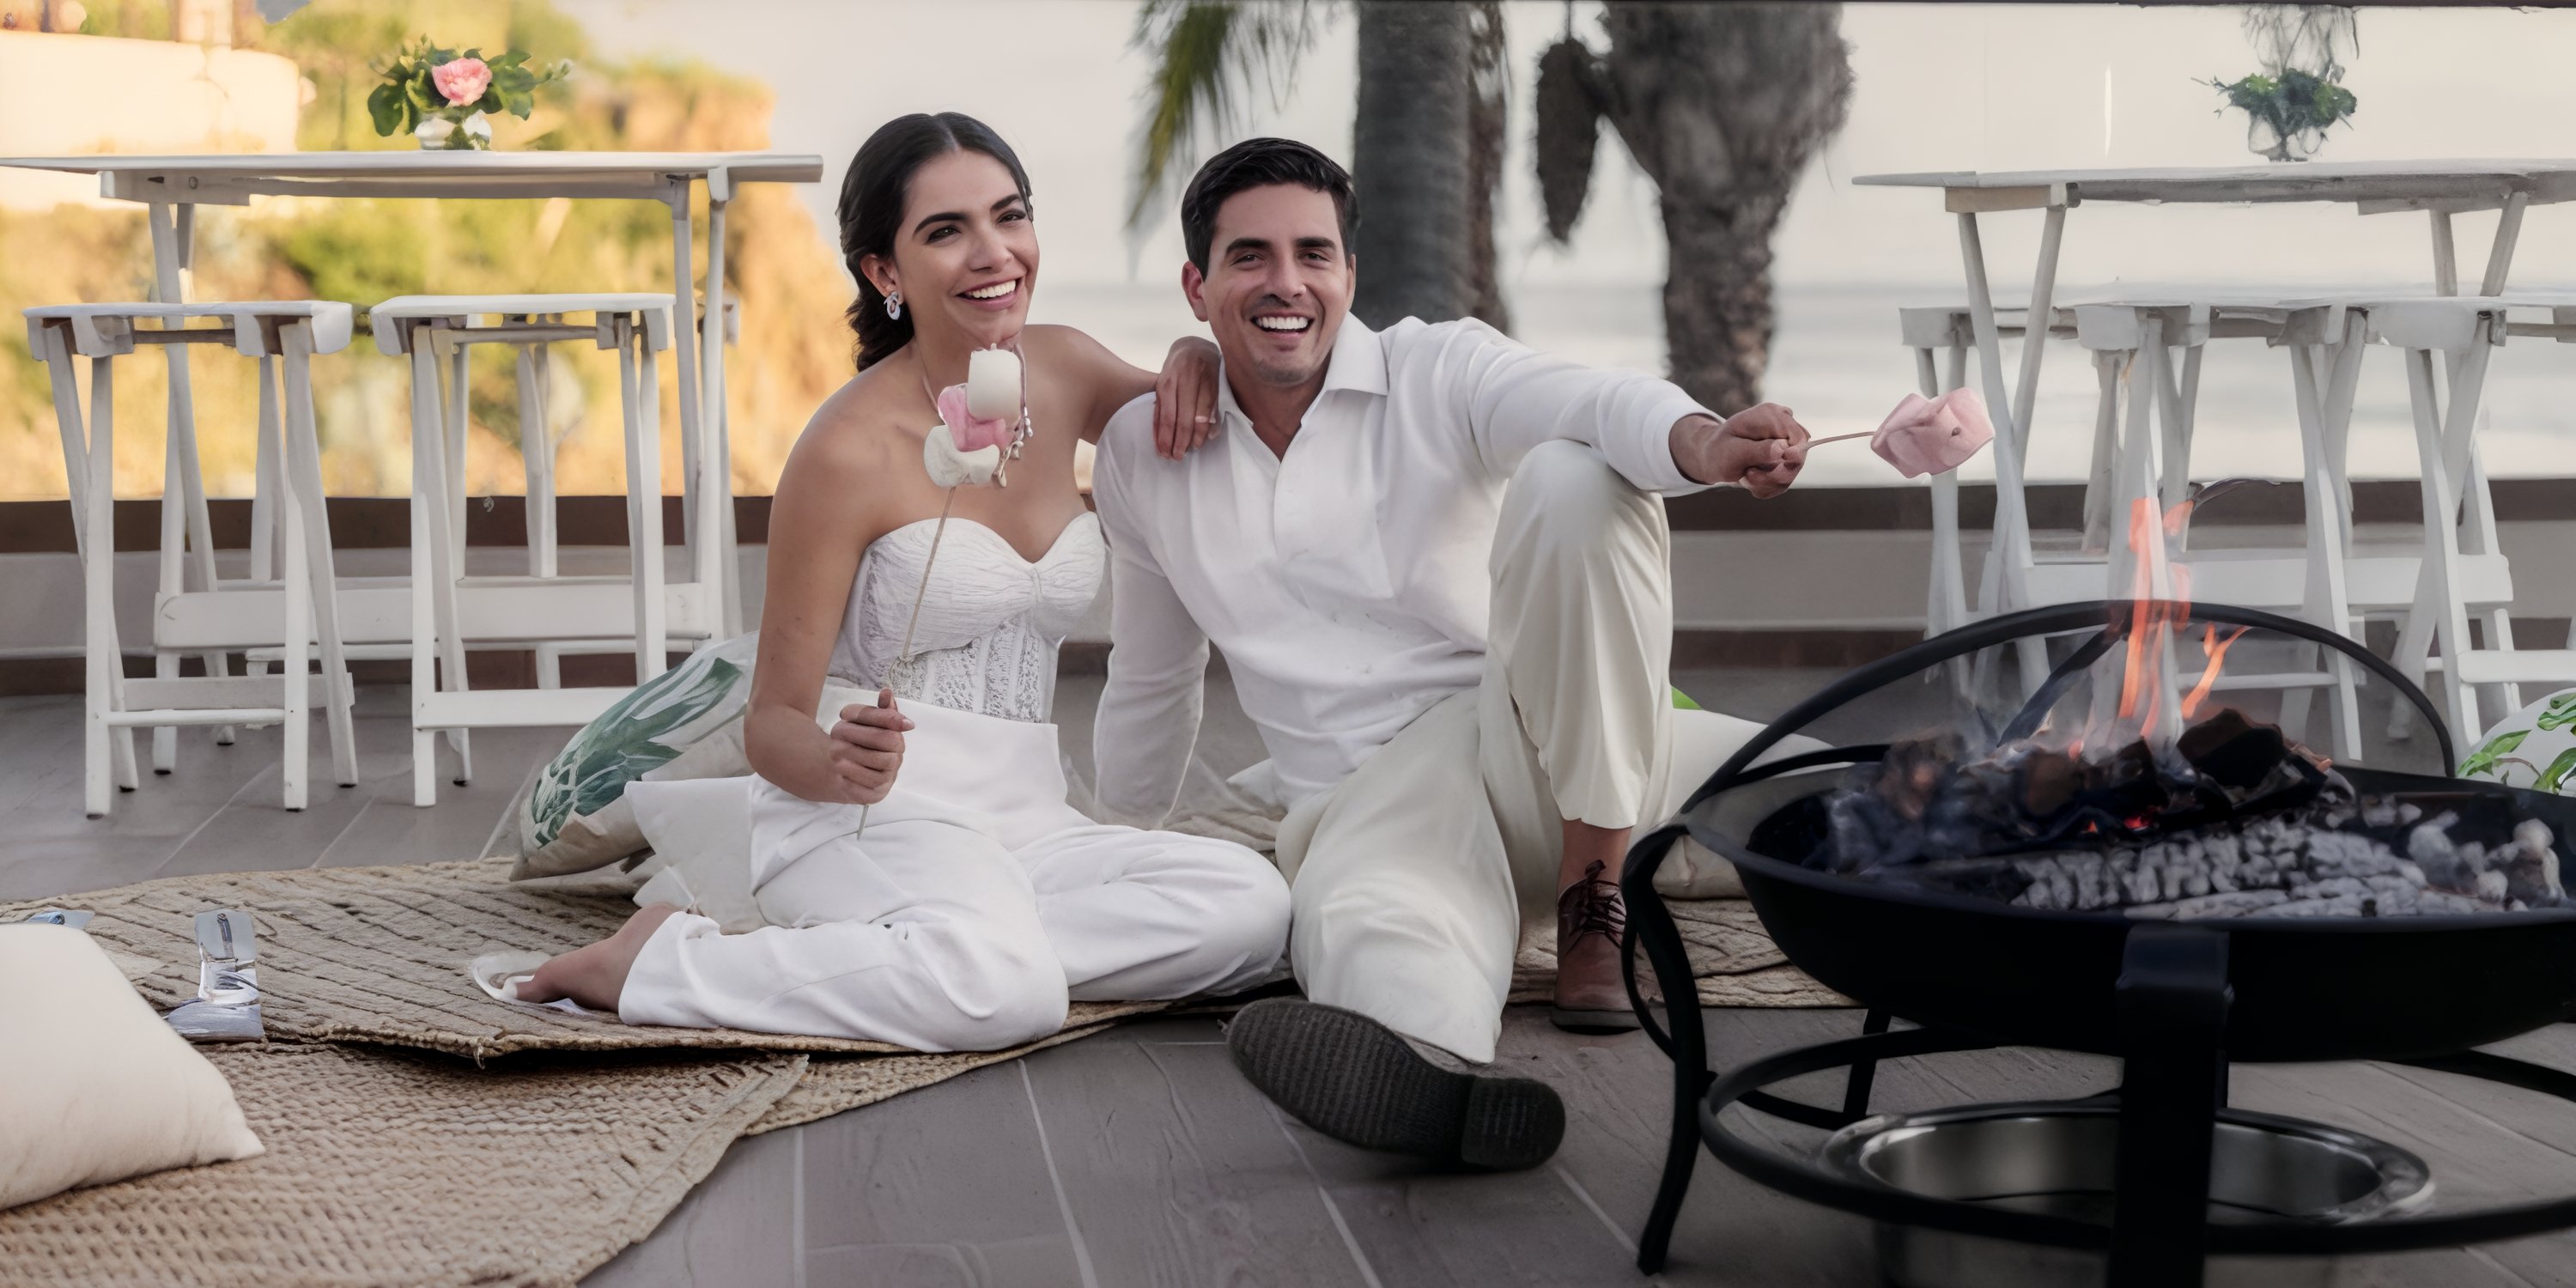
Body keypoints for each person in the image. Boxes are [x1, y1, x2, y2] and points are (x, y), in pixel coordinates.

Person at [1089, 138, 1815, 1167]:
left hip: (1548, 745)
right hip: (1373, 798)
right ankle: (1439, 1085)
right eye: (1250, 257)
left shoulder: (1436, 370)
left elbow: (1592, 402)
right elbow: (1153, 675)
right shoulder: (1146, 452)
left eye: (1312, 253)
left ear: (1350, 276)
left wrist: (1700, 441)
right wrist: (1118, 842)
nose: (1286, 281)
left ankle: (1596, 898)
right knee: (1373, 925)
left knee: (1582, 482)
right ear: (1196, 288)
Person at [517, 112, 1291, 1053]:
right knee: (1008, 996)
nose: (993, 252)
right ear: (885, 271)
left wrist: (1195, 352)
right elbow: (772, 724)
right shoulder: (845, 450)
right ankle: (658, 965)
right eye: (946, 231)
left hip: (1029, 816)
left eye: (1010, 216)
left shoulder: (1066, 369)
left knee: (1253, 907)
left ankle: (934, 952)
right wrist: (838, 765)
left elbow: (1204, 409)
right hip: (872, 820)